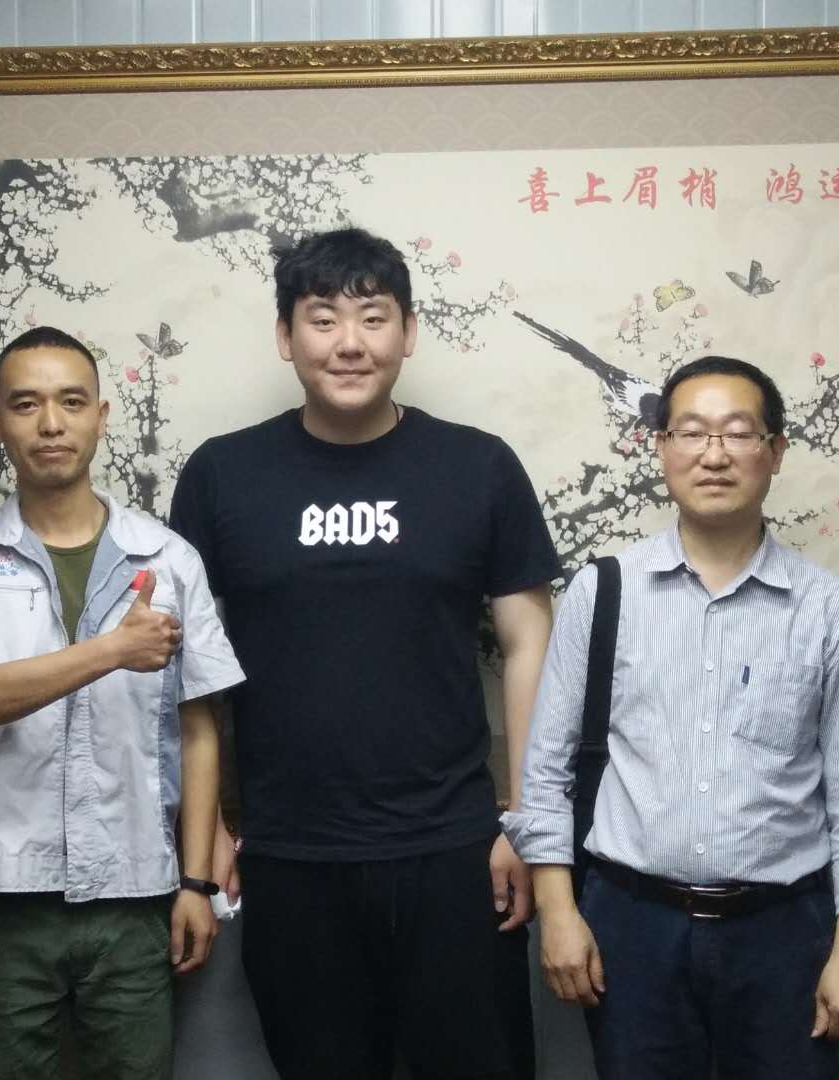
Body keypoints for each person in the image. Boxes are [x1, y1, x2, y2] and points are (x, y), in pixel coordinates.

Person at [168, 227, 560, 1080]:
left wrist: (527, 823)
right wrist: (212, 829)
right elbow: (190, 666)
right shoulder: (222, 474)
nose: (350, 342)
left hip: (457, 851)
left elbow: (531, 645)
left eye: (373, 318)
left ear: (408, 333)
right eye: (322, 319)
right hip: (289, 854)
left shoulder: (479, 467)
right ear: (286, 337)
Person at [503, 355, 839, 1079]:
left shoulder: (829, 611)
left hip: (784, 931)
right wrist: (559, 914)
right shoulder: (603, 592)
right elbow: (547, 771)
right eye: (690, 432)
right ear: (661, 448)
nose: (713, 454)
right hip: (630, 925)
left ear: (775, 452)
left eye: (739, 433)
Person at [0, 325, 244, 1080]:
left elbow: (198, 729)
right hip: (7, 899)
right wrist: (113, 649)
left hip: (138, 893)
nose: (50, 424)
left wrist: (196, 883)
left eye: (71, 402)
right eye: (26, 404)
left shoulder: (169, 559)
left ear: (101, 415)